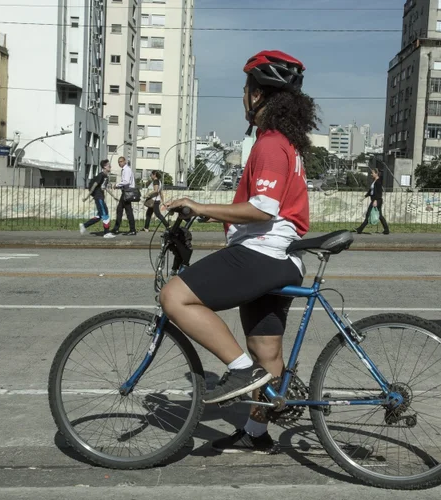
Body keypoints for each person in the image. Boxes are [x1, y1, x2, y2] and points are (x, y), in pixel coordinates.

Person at [160, 50, 319, 453]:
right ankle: (256, 432)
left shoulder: (269, 144)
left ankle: (240, 371)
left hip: (263, 253)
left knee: (174, 296)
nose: (243, 99)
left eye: (246, 90)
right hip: (282, 259)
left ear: (260, 95)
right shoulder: (286, 144)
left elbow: (261, 209)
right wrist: (211, 215)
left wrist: (200, 206)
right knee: (267, 350)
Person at [79, 160, 115, 238]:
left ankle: (84, 225)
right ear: (104, 167)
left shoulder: (106, 177)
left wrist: (114, 196)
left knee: (100, 216)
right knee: (105, 214)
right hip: (99, 198)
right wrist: (87, 197)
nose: (110, 167)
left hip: (101, 197)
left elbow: (105, 188)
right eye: (109, 165)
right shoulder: (100, 175)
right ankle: (106, 233)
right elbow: (94, 185)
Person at [355, 169, 390, 235]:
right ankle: (386, 230)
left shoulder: (378, 181)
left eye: (372, 173)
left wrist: (375, 200)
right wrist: (365, 196)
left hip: (377, 200)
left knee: (368, 214)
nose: (371, 174)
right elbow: (371, 191)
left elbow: (379, 193)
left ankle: (360, 229)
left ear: (376, 173)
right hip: (376, 200)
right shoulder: (375, 181)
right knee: (380, 216)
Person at [111, 156, 137, 235]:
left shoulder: (127, 170)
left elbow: (126, 181)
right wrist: (119, 186)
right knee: (120, 210)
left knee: (128, 211)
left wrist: (117, 185)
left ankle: (132, 230)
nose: (120, 163)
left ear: (125, 161)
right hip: (125, 192)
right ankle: (117, 228)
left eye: (121, 161)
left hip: (127, 193)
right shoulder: (125, 170)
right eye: (119, 162)